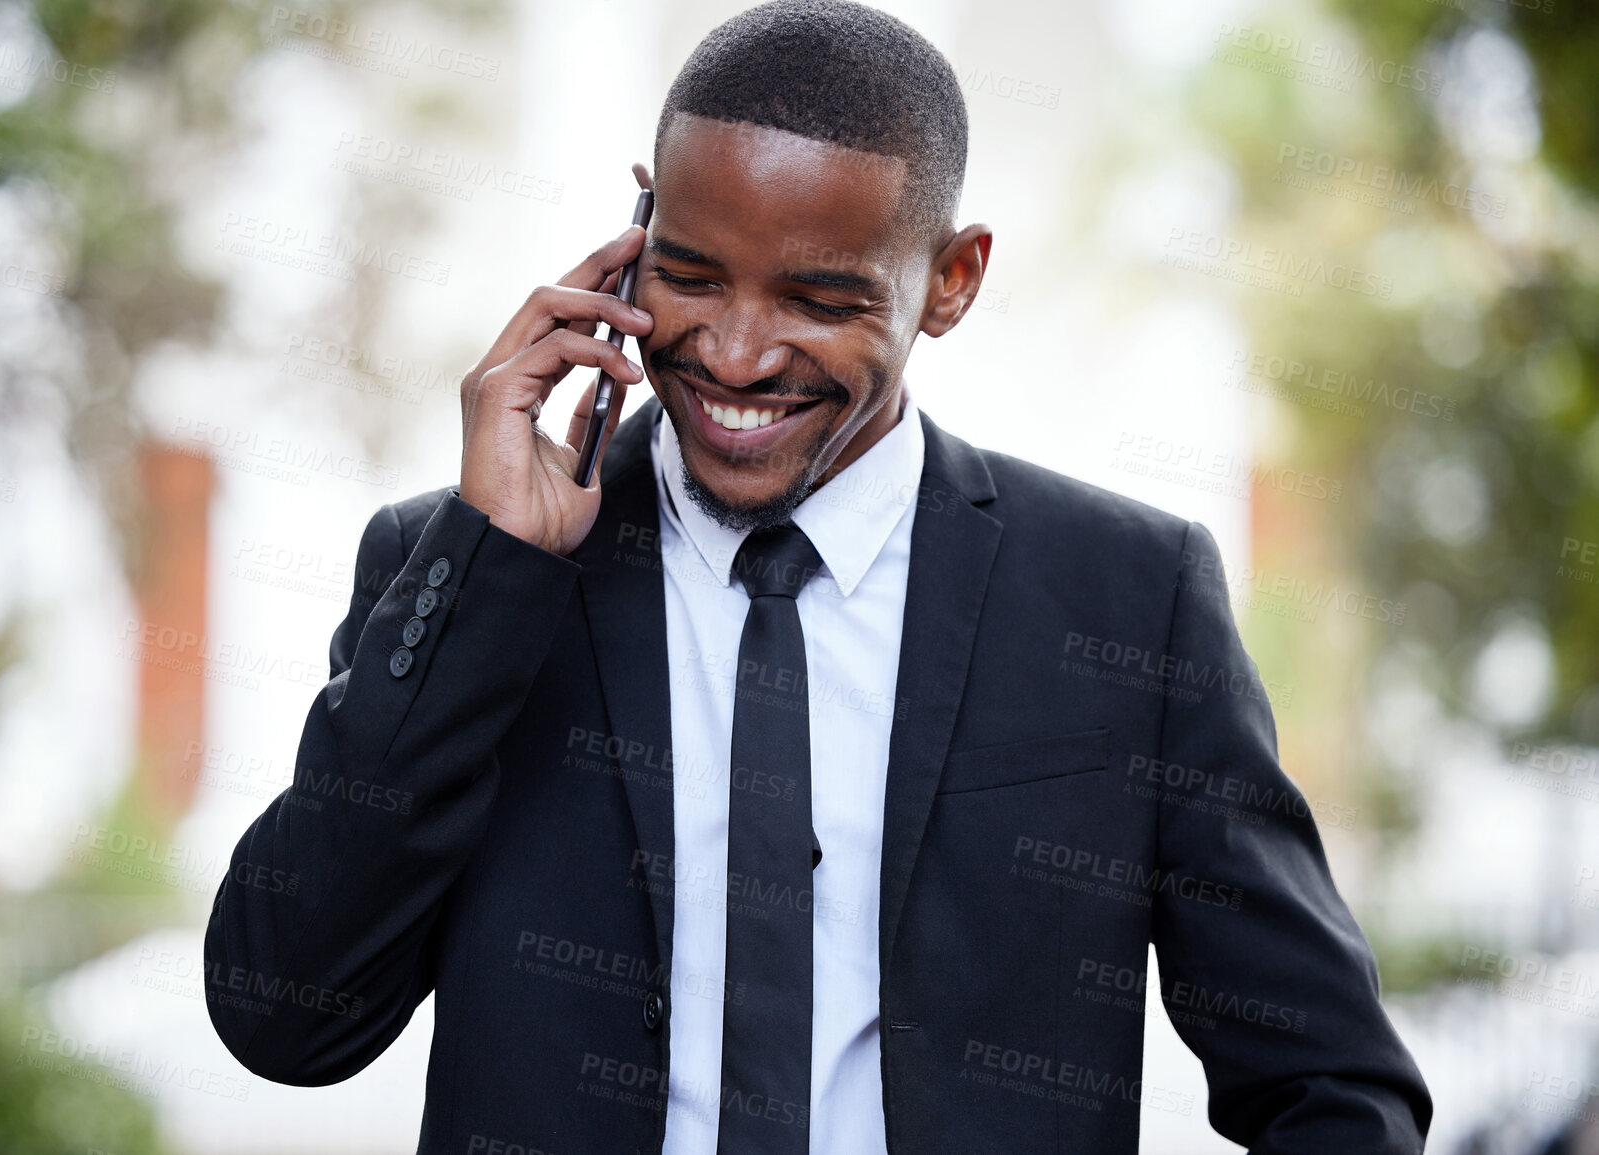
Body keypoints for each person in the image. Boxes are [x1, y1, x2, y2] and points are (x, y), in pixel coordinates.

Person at [204, 1, 1433, 1151]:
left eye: (819, 297)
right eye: (688, 274)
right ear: (639, 226)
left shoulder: (1129, 596)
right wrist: (488, 576)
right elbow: (288, 1018)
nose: (735, 355)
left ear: (951, 281)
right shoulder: (464, 570)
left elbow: (1331, 1081)